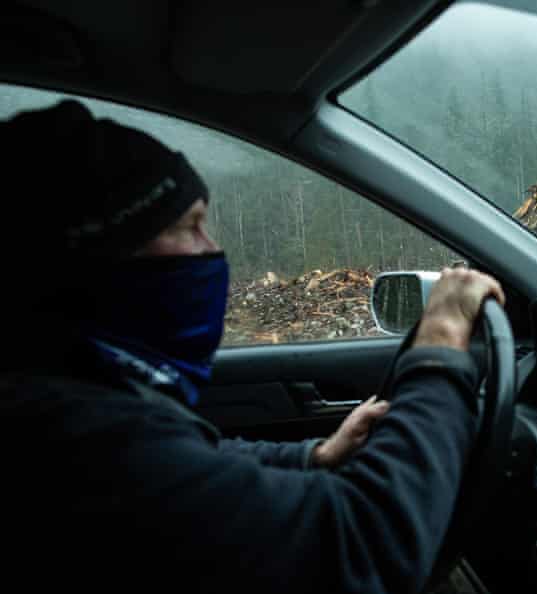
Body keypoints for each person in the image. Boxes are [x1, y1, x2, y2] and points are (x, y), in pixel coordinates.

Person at [0, 100, 505, 593]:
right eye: (189, 226)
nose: (213, 250)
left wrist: (315, 456)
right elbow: (366, 543)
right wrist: (440, 341)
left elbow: (190, 460)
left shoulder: (67, 384)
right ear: (98, 250)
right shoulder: (72, 439)